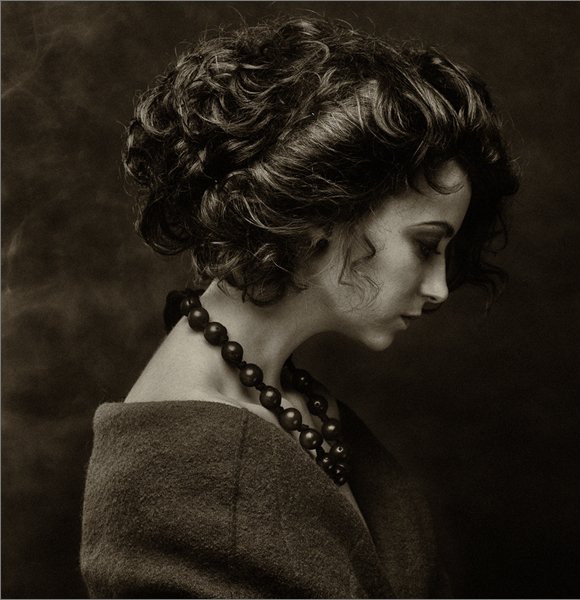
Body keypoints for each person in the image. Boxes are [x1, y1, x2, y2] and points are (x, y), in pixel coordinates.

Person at [79, 14, 518, 599]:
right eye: (425, 245)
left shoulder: (291, 397)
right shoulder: (174, 474)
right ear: (322, 214)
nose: (439, 288)